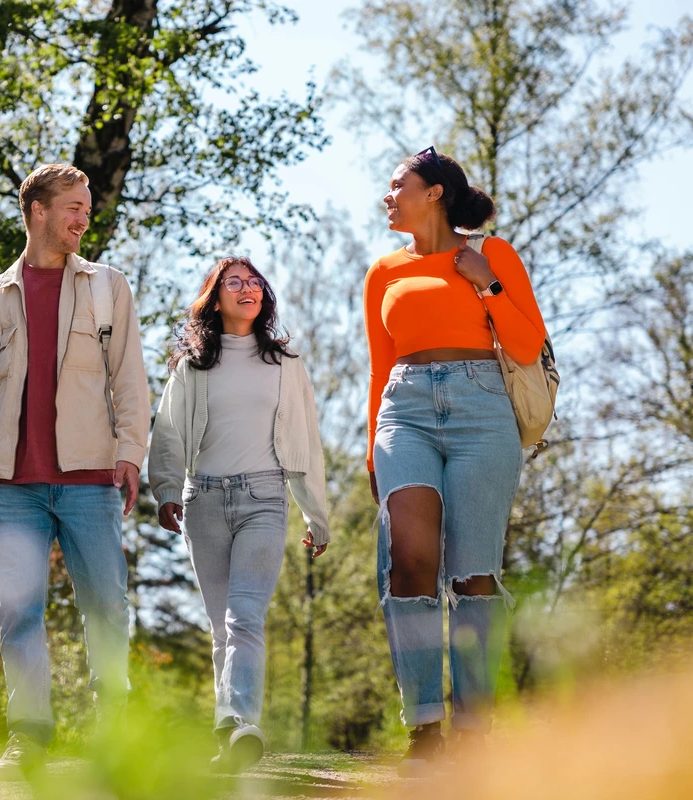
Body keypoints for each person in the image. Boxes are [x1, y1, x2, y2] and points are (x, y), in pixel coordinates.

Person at [0, 163, 150, 782]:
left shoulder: (108, 287)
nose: (84, 218)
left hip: (90, 480)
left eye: (87, 207)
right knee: (19, 612)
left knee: (106, 606)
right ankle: (28, 734)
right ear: (38, 210)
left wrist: (131, 452)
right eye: (73, 207)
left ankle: (115, 730)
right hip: (14, 486)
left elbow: (129, 379)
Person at [365, 147, 546, 775]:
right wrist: (372, 449)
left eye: (398, 185)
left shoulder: (492, 254)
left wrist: (485, 282)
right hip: (404, 413)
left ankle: (473, 729)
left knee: (473, 574)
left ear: (435, 193)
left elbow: (527, 344)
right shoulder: (383, 272)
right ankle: (423, 727)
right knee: (409, 561)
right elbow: (379, 367)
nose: (388, 196)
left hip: (482, 412)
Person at [148, 256, 330, 773]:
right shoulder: (192, 366)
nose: (247, 289)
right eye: (235, 282)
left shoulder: (285, 363)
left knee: (244, 617)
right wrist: (166, 489)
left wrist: (316, 514)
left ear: (263, 296)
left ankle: (240, 720)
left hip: (264, 499)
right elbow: (168, 432)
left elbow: (305, 441)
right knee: (221, 628)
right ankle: (230, 736)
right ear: (216, 298)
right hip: (203, 501)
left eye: (254, 282)